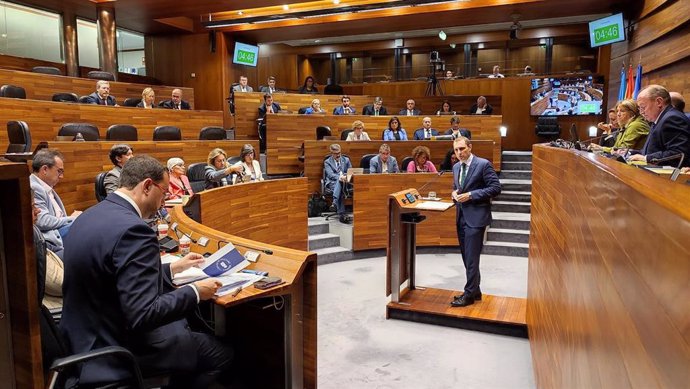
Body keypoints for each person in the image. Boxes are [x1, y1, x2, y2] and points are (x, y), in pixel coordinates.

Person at [60, 155, 232, 387]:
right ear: (147, 186)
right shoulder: (135, 230)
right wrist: (195, 292)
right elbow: (143, 315)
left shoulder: (90, 214)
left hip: (83, 335)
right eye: (163, 192)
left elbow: (110, 273)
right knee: (220, 354)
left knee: (186, 327)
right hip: (114, 348)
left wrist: (172, 268)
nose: (165, 201)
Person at [450, 136, 501, 307]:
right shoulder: (456, 167)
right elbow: (457, 187)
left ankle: (469, 294)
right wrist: (454, 194)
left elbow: (495, 188)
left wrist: (471, 195)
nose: (459, 153)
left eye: (462, 149)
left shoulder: (483, 164)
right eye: (456, 150)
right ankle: (476, 290)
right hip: (461, 217)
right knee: (467, 258)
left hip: (476, 218)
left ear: (470, 147)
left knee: (472, 258)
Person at [30, 149, 82, 259]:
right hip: (51, 239)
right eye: (59, 171)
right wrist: (71, 218)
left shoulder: (45, 186)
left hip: (60, 230)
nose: (61, 176)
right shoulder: (35, 187)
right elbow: (42, 221)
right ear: (44, 169)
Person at [627, 85, 690, 166]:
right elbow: (652, 151)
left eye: (643, 107)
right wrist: (629, 152)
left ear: (659, 102)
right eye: (639, 108)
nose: (641, 112)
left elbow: (678, 154)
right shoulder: (659, 119)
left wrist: (646, 158)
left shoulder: (671, 119)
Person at [323, 143, 352, 223]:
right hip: (332, 183)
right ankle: (342, 214)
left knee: (340, 183)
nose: (338, 155)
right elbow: (330, 175)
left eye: (339, 153)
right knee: (339, 183)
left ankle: (334, 202)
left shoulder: (346, 160)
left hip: (346, 182)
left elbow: (350, 172)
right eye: (336, 154)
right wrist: (340, 177)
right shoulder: (327, 162)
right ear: (331, 153)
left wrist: (345, 177)